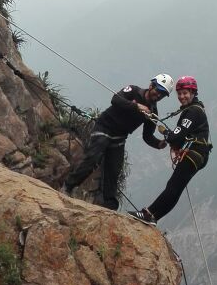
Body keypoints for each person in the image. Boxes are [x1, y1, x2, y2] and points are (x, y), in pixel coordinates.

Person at [63, 73, 174, 211]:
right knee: (93, 157)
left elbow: (147, 136)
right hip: (104, 128)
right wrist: (137, 106)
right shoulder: (133, 90)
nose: (158, 95)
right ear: (151, 85)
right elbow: (115, 100)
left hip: (119, 138)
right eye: (158, 91)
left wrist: (158, 144)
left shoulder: (152, 112)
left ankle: (110, 205)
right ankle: (68, 186)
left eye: (162, 95)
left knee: (114, 170)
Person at [129, 75, 211, 225]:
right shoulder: (195, 109)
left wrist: (166, 133)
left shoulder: (193, 112)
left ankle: (148, 214)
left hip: (194, 153)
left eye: (185, 93)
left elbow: (175, 137)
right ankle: (154, 217)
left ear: (193, 93)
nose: (182, 96)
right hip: (198, 154)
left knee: (173, 186)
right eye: (179, 94)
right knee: (175, 188)